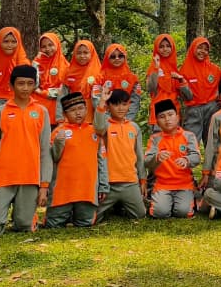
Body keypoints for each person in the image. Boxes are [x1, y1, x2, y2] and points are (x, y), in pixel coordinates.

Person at [0, 65, 51, 236]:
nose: (25, 88)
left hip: (30, 178)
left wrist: (44, 186)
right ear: (11, 85)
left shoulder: (41, 112)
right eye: (20, 83)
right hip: (3, 177)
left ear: (35, 85)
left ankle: (26, 216)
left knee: (24, 226)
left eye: (30, 83)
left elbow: (45, 151)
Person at [45, 91, 107, 229]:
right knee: (53, 224)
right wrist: (58, 143)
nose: (78, 113)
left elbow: (102, 161)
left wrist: (103, 185)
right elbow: (53, 158)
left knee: (85, 223)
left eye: (81, 108)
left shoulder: (94, 131)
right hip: (62, 190)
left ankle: (75, 215)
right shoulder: (58, 132)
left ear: (86, 109)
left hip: (87, 190)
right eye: (72, 110)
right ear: (65, 114)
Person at [146, 99, 200, 219]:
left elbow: (196, 157)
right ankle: (161, 200)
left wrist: (187, 160)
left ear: (177, 116)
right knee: (160, 213)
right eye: (162, 117)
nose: (167, 119)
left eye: (170, 115)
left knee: (183, 212)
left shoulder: (188, 136)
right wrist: (157, 157)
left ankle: (189, 197)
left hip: (184, 183)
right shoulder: (154, 139)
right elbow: (147, 161)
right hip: (162, 184)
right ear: (157, 122)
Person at [97, 90, 146, 221]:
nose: (120, 108)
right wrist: (102, 102)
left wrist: (142, 179)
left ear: (129, 105)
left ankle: (121, 204)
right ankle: (114, 204)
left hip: (130, 181)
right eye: (116, 104)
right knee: (92, 218)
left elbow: (139, 156)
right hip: (109, 183)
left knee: (140, 214)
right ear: (108, 106)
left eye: (124, 104)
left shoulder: (134, 127)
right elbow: (98, 127)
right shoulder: (105, 125)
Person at [176, 36, 221, 143]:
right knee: (191, 141)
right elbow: (185, 96)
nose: (203, 51)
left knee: (212, 141)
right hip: (193, 110)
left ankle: (212, 156)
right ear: (193, 48)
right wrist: (183, 83)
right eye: (200, 48)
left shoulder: (214, 69)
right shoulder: (184, 70)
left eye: (206, 49)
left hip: (212, 108)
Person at [98, 43, 142, 123]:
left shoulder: (132, 78)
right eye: (113, 56)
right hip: (106, 121)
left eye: (120, 56)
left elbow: (135, 100)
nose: (117, 58)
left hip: (127, 120)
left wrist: (128, 119)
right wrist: (107, 119)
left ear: (125, 57)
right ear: (107, 58)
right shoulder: (100, 78)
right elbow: (97, 99)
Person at [32, 32, 69, 125]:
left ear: (57, 44)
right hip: (38, 109)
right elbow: (32, 85)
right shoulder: (37, 63)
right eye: (43, 46)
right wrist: (35, 65)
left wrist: (42, 92)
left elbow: (62, 91)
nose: (47, 49)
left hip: (57, 111)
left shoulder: (66, 66)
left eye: (50, 45)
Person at [144, 34, 181, 125]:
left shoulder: (175, 67)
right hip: (158, 112)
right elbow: (150, 88)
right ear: (156, 48)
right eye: (161, 46)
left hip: (173, 111)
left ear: (172, 47)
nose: (165, 49)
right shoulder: (153, 67)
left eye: (168, 46)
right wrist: (156, 68)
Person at [62, 40, 100, 119]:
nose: (82, 56)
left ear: (92, 53)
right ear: (74, 54)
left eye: (86, 53)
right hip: (72, 114)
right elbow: (63, 95)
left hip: (92, 115)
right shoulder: (68, 72)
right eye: (79, 53)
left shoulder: (99, 73)